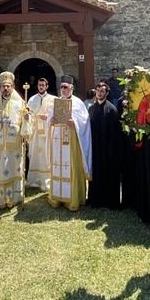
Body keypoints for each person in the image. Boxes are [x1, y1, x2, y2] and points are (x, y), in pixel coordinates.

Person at [0, 71, 30, 209]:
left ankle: (15, 197)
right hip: (0, 144)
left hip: (14, 144)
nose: (6, 89)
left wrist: (27, 119)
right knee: (2, 169)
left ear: (12, 87)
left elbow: (27, 118)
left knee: (15, 169)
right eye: (3, 86)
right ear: (0, 87)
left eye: (8, 86)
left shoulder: (20, 103)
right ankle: (2, 197)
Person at [48, 75, 92, 212]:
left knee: (70, 166)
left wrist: (75, 123)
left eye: (66, 87)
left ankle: (73, 199)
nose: (63, 90)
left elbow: (85, 122)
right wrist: (52, 121)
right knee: (57, 166)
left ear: (72, 88)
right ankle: (57, 197)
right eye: (61, 87)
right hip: (57, 141)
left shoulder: (78, 103)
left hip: (72, 140)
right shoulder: (56, 102)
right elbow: (49, 120)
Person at [87, 82, 123, 209]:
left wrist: (112, 151)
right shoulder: (91, 109)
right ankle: (95, 200)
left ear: (107, 93)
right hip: (95, 149)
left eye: (102, 91)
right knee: (96, 174)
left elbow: (115, 133)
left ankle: (110, 201)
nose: (99, 93)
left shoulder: (112, 109)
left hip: (108, 150)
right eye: (97, 90)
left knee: (109, 175)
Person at [26, 77, 56, 190]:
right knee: (34, 155)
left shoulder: (53, 99)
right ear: (37, 86)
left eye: (43, 85)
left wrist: (47, 117)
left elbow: (56, 115)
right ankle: (34, 180)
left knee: (46, 156)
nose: (41, 87)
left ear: (47, 86)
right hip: (35, 132)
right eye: (39, 85)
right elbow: (28, 114)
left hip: (48, 132)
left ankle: (46, 181)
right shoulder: (32, 99)